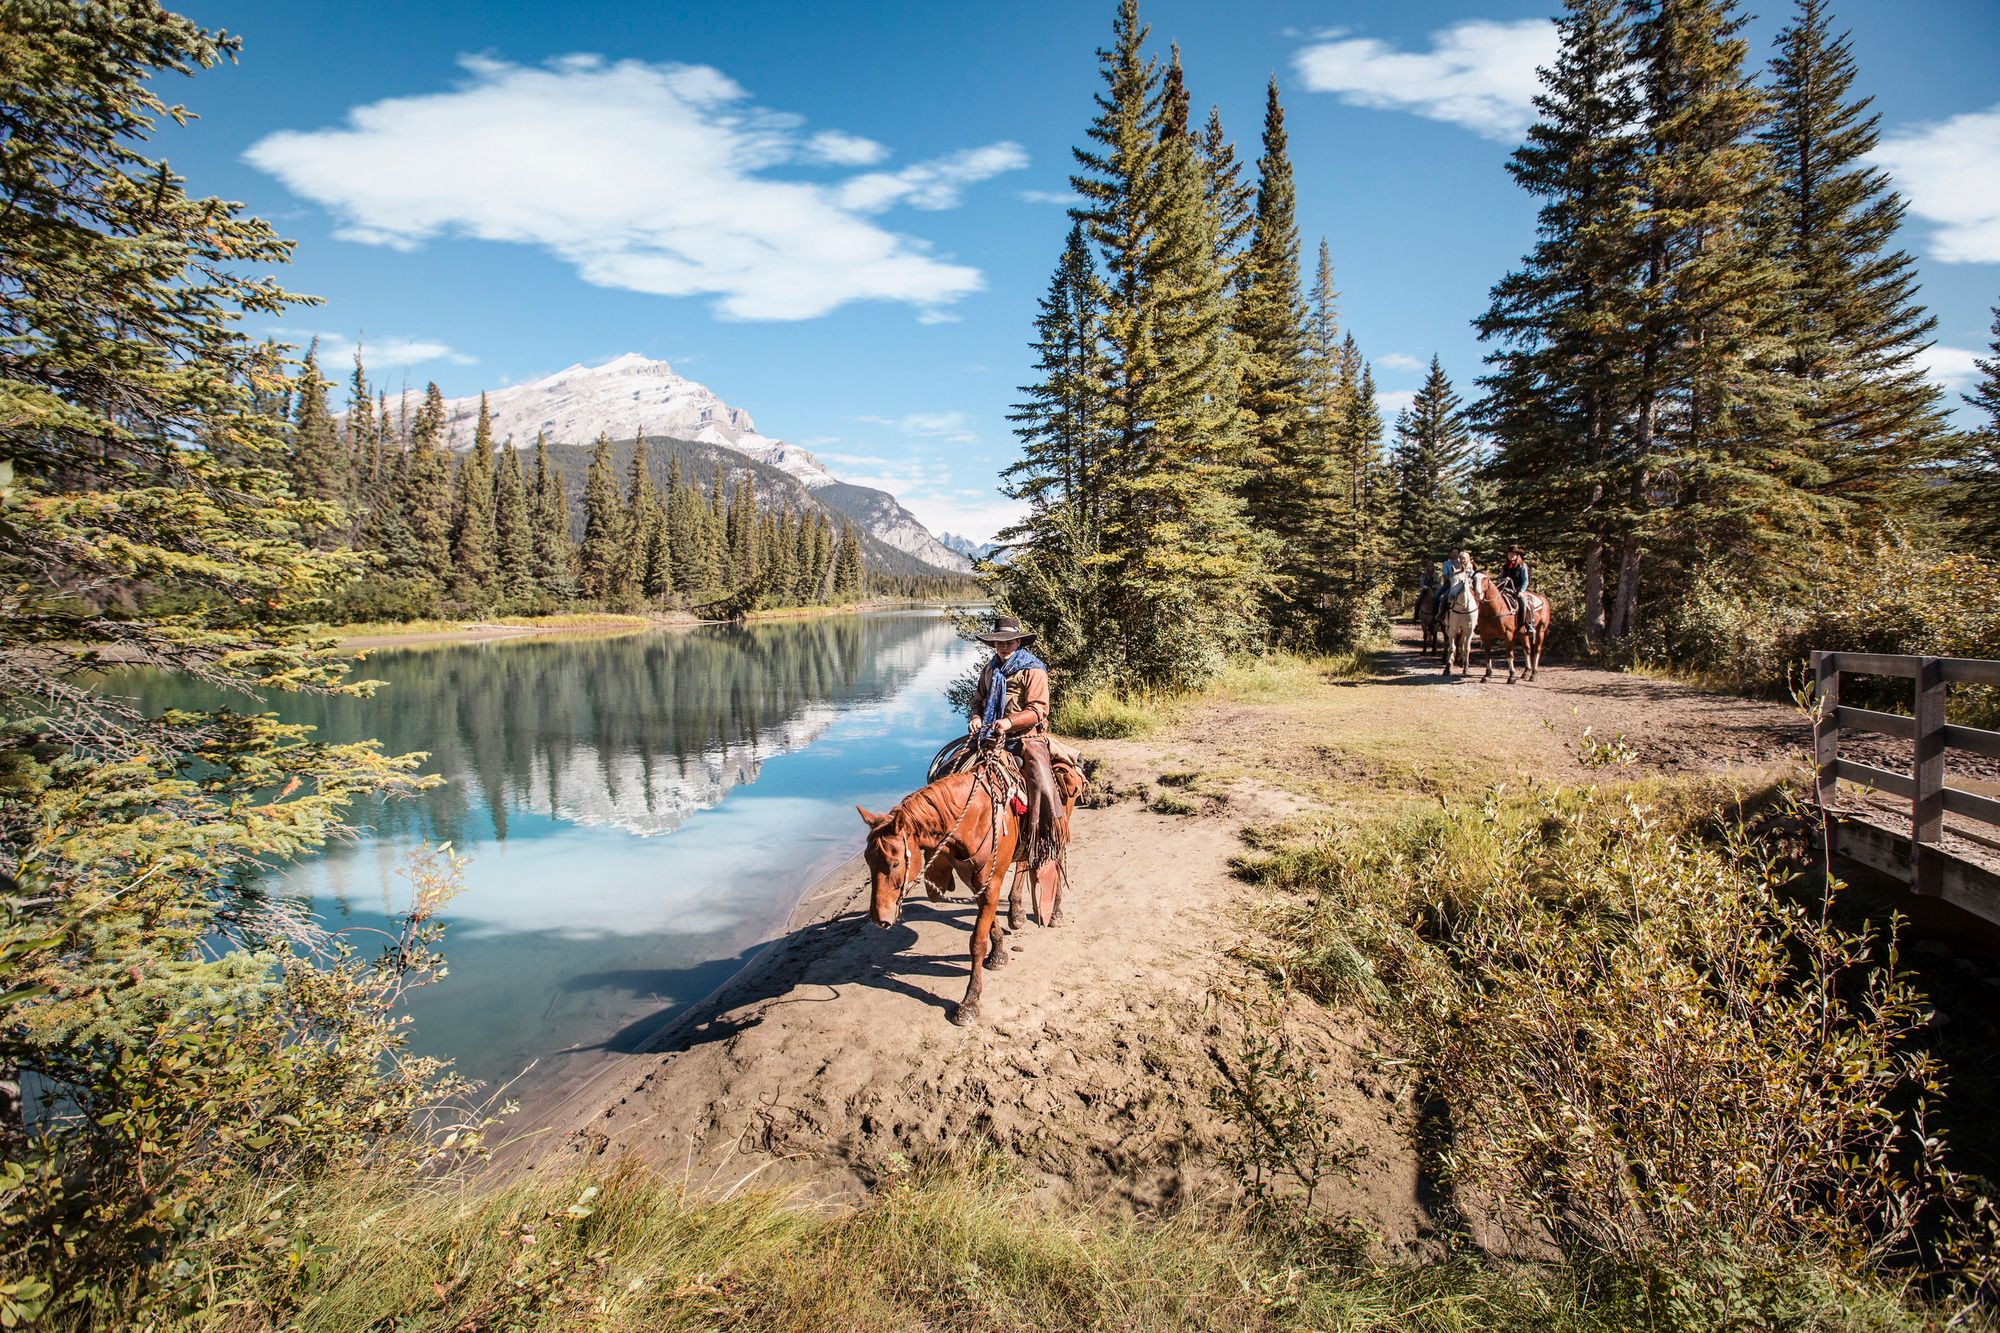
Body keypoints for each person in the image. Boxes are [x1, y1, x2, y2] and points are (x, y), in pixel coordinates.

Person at [967, 614, 1064, 911]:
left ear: (1018, 641)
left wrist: (1009, 723)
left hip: (1025, 739)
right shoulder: (990, 669)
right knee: (949, 770)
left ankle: (1048, 835)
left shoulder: (1033, 671)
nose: (1003, 647)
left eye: (1008, 641)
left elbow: (1038, 711)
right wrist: (975, 717)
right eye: (998, 643)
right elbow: (978, 701)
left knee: (1043, 784)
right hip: (989, 737)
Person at [1499, 547, 1531, 621]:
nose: (1511, 555)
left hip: (1517, 590)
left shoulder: (1522, 565)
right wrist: (1504, 579)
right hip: (1505, 589)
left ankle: (1528, 623)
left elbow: (1525, 580)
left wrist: (1522, 591)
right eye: (1509, 554)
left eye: (1513, 554)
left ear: (1517, 555)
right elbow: (1500, 578)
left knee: (1524, 604)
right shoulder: (1505, 566)